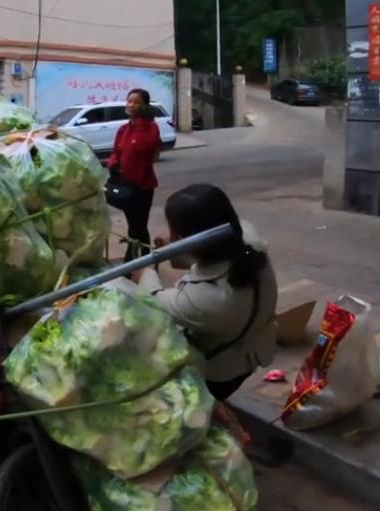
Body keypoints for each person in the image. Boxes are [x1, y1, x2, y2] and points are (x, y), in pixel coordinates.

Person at [136, 183, 278, 402]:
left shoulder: (206, 300)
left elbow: (152, 299)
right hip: (251, 347)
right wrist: (175, 248)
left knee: (200, 403)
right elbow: (211, 258)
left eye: (174, 231)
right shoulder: (248, 241)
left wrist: (144, 274)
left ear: (189, 239)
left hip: (219, 371)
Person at [106, 88, 162, 261]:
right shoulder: (123, 129)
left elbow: (147, 148)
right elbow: (116, 151)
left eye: (136, 102)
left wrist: (142, 121)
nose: (130, 105)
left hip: (142, 187)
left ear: (145, 106)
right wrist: (113, 165)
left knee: (139, 226)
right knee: (134, 226)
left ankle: (134, 260)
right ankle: (138, 260)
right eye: (129, 101)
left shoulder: (150, 128)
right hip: (125, 185)